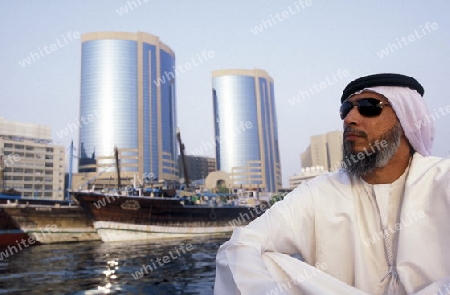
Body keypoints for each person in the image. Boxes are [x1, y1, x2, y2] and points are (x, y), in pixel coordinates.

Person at [214, 73, 450, 295]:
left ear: (407, 119)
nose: (350, 118)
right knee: (262, 261)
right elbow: (242, 243)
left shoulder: (442, 179)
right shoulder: (319, 191)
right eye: (346, 109)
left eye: (369, 107)